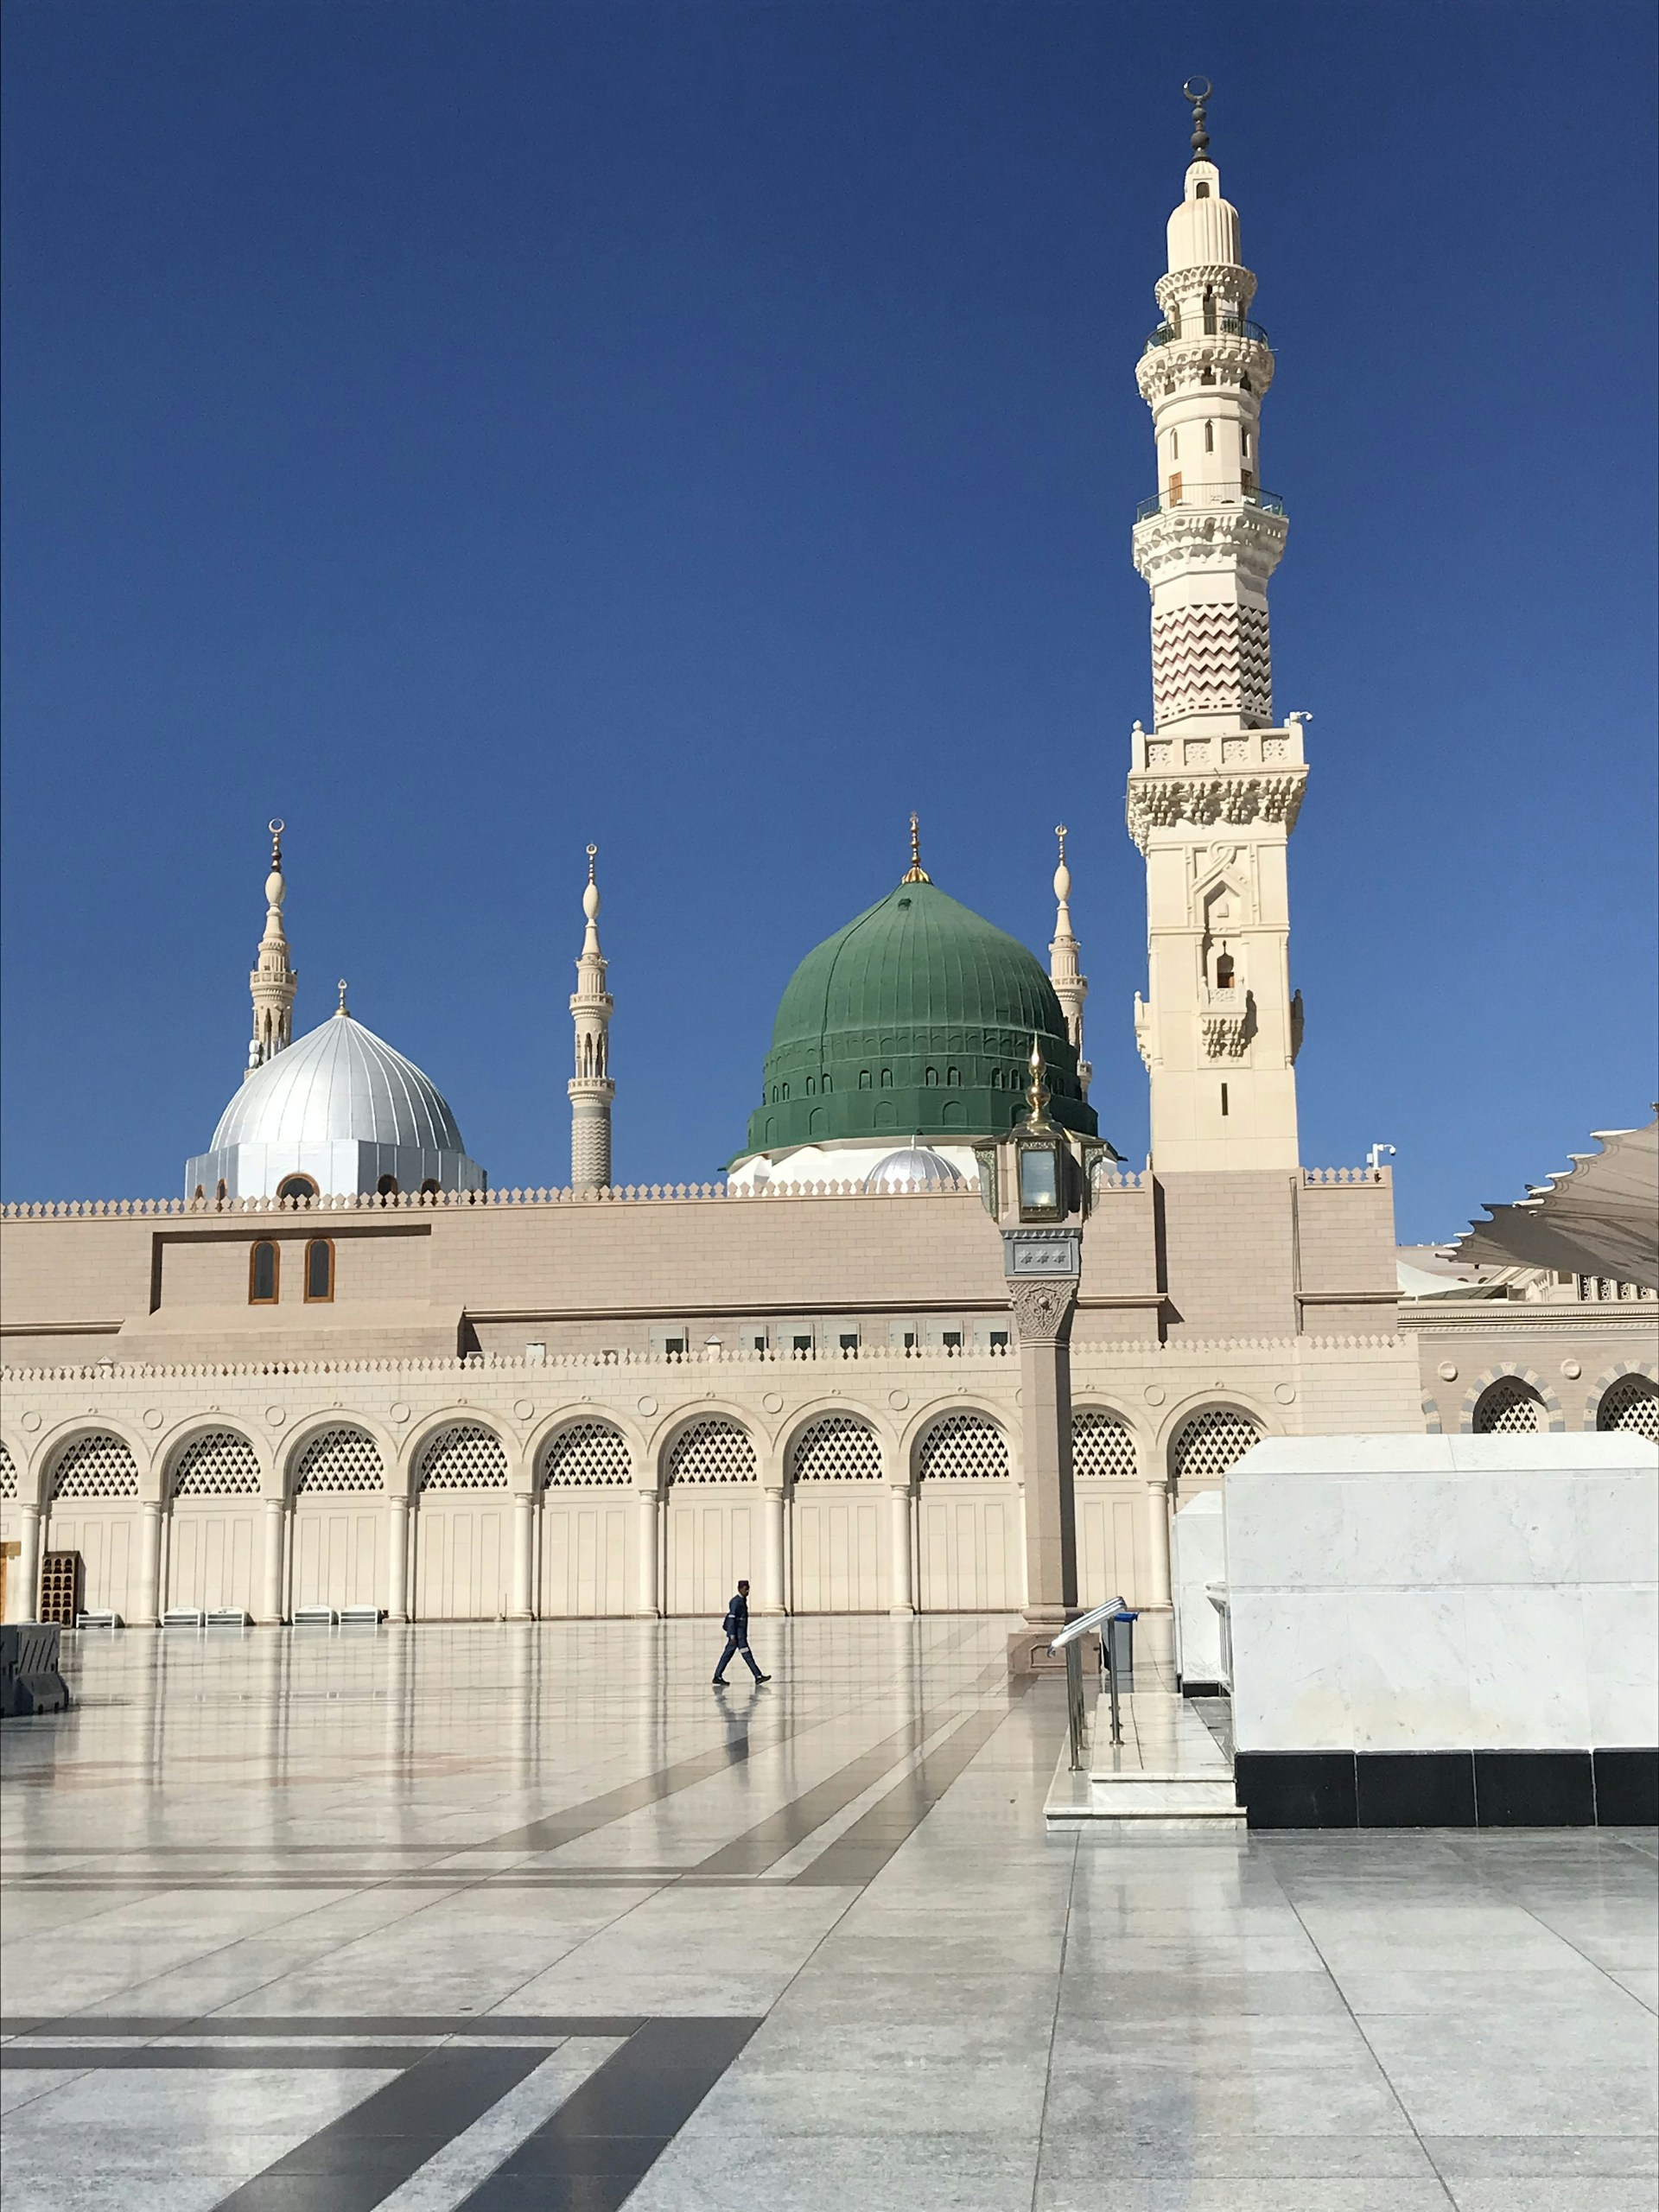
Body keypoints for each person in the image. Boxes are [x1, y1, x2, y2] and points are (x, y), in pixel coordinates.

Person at [713, 1580, 770, 1684]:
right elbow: (731, 1619)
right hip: (736, 1637)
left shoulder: (742, 1600)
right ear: (739, 1589)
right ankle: (717, 1676)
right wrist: (732, 1636)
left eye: (748, 1589)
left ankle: (758, 1676)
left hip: (740, 1636)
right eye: (745, 1589)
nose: (747, 1591)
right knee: (733, 1655)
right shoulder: (736, 1602)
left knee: (742, 1655)